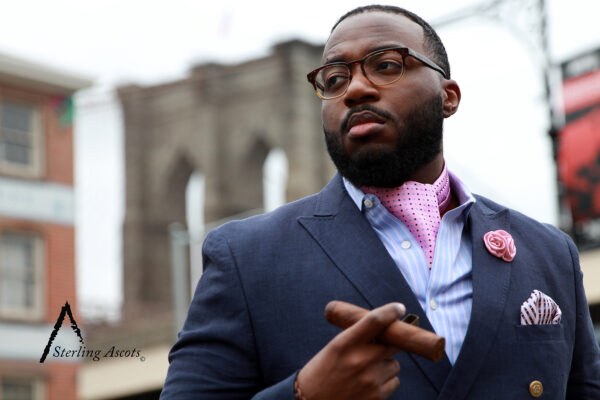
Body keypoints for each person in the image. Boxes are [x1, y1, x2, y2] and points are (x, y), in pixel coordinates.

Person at [160, 5, 600, 399]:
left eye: (386, 66)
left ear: (448, 97)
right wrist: (304, 394)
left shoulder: (548, 254)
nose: (354, 89)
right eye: (334, 79)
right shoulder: (247, 257)